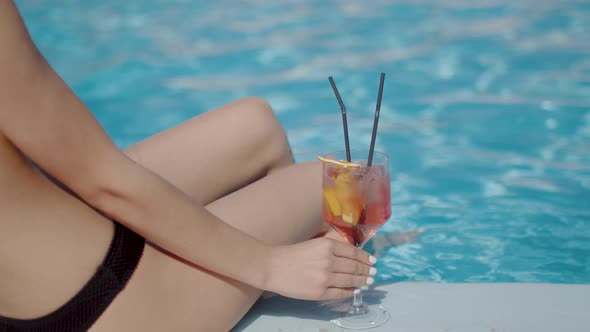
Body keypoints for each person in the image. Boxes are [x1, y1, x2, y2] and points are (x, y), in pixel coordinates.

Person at [0, 1, 377, 331]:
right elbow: (105, 183)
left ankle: (265, 280)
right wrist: (270, 266)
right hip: (98, 304)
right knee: (333, 182)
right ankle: (291, 275)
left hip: (58, 245)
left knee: (252, 124)